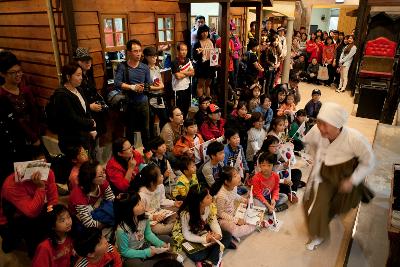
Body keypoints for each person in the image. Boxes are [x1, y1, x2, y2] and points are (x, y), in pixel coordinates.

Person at [303, 102, 375, 250]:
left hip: (345, 175)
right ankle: (318, 234)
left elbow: (369, 161)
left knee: (339, 204)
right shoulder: (317, 132)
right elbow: (309, 143)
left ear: (338, 125)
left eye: (326, 125)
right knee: (316, 205)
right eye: (319, 123)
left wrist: (353, 180)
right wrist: (315, 158)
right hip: (324, 173)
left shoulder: (355, 139)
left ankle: (333, 211)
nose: (321, 129)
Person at [0, 51, 41, 180]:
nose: (18, 75)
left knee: (39, 172)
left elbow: (34, 113)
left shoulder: (26, 90)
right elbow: (15, 121)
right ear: (2, 74)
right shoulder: (2, 96)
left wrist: (36, 134)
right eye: (13, 72)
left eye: (19, 71)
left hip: (35, 137)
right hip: (16, 143)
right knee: (23, 177)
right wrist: (32, 137)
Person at [0, 168, 58, 257]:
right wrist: (41, 187)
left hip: (33, 208)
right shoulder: (11, 185)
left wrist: (51, 213)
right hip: (11, 217)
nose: (43, 167)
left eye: (44, 163)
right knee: (11, 243)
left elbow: (53, 197)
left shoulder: (48, 172)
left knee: (44, 225)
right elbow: (32, 212)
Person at [114, 193, 180, 267]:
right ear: (128, 210)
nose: (142, 204)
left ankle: (163, 258)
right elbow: (125, 251)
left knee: (167, 239)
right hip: (130, 254)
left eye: (140, 201)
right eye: (137, 204)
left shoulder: (144, 218)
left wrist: (161, 244)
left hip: (143, 244)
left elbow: (148, 234)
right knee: (138, 264)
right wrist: (146, 253)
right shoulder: (121, 230)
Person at [172, 187, 232, 267]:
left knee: (227, 234)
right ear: (200, 202)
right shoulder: (186, 214)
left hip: (202, 230)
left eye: (210, 194)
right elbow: (187, 235)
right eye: (208, 197)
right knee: (198, 255)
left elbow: (213, 221)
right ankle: (217, 250)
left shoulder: (209, 206)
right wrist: (205, 239)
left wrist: (218, 234)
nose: (211, 197)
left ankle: (209, 261)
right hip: (187, 237)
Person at [114, 39, 151, 148]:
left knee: (146, 130)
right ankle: (131, 154)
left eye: (140, 51)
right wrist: (132, 87)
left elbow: (148, 84)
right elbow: (117, 83)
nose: (139, 53)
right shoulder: (123, 66)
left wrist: (142, 88)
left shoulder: (145, 67)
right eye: (135, 51)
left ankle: (147, 153)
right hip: (129, 103)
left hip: (143, 103)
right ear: (129, 52)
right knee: (129, 130)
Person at [53, 63, 97, 155]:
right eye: (78, 75)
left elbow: (86, 110)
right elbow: (72, 118)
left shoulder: (79, 89)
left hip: (84, 135)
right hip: (72, 139)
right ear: (68, 76)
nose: (81, 77)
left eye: (81, 74)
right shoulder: (62, 95)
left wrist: (91, 128)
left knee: (88, 162)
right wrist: (90, 122)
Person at [75, 47, 107, 157]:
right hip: (85, 116)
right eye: (84, 60)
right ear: (78, 61)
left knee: (96, 142)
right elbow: (76, 100)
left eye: (89, 59)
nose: (88, 62)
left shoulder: (89, 74)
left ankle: (95, 165)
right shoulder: (76, 78)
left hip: (94, 113)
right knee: (88, 145)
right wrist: (90, 106)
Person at [133, 165, 182, 235]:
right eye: (159, 175)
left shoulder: (160, 186)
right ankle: (173, 227)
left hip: (159, 211)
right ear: (152, 182)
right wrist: (152, 217)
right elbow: (141, 214)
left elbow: (162, 200)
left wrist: (174, 203)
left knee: (179, 211)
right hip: (149, 218)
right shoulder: (142, 195)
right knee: (160, 229)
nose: (162, 176)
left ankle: (173, 226)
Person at [69, 161, 115, 230]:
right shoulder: (78, 195)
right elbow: (88, 223)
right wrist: (106, 223)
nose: (104, 176)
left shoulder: (102, 181)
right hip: (80, 216)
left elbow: (111, 199)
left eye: (103, 172)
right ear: (90, 179)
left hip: (96, 207)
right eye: (100, 175)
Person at [213, 166, 256, 240]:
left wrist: (243, 200)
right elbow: (220, 213)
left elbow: (234, 195)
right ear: (226, 182)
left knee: (249, 213)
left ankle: (247, 224)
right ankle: (255, 225)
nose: (239, 177)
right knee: (236, 231)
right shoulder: (221, 195)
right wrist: (236, 220)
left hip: (232, 213)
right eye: (235, 176)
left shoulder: (234, 186)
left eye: (237, 174)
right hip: (221, 219)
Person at [143, 46, 168, 134]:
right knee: (151, 121)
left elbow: (162, 84)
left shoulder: (157, 68)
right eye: (152, 56)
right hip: (150, 98)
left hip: (159, 97)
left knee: (164, 118)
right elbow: (146, 87)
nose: (154, 58)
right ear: (146, 57)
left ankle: (162, 136)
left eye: (155, 56)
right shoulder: (144, 69)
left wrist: (157, 87)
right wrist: (157, 87)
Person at [171, 42, 195, 117]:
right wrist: (187, 72)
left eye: (186, 50)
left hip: (187, 87)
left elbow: (193, 73)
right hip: (178, 89)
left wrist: (182, 72)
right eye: (182, 50)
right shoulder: (174, 62)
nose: (184, 52)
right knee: (178, 110)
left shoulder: (188, 60)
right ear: (178, 51)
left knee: (186, 108)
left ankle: (184, 124)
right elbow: (178, 76)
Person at [193, 25, 215, 97]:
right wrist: (198, 53)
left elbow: (214, 53)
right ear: (199, 33)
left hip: (211, 65)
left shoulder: (212, 41)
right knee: (200, 85)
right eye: (203, 32)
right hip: (201, 66)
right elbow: (195, 58)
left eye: (206, 31)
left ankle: (208, 102)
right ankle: (201, 103)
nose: (205, 33)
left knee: (208, 85)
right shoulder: (197, 44)